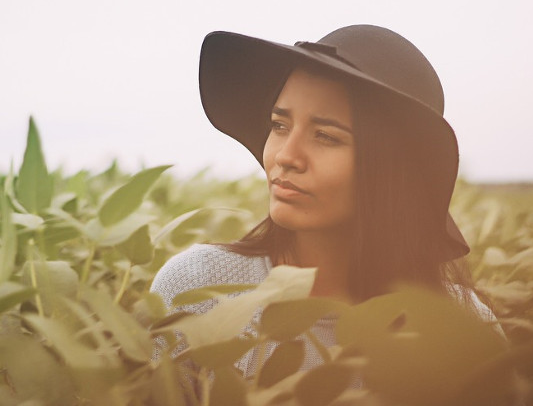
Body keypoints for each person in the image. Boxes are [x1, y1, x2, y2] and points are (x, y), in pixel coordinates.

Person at [150, 24, 500, 377]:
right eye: (279, 125)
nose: (286, 156)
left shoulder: (462, 326)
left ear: (391, 168)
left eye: (326, 136)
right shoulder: (198, 287)